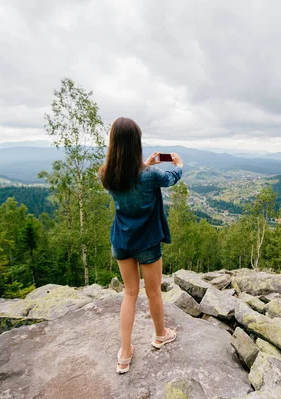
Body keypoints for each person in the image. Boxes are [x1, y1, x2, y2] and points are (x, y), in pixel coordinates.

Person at [98, 117, 184, 374]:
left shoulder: (105, 175)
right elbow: (172, 177)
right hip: (146, 240)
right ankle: (160, 335)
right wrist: (178, 162)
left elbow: (128, 179)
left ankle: (124, 353)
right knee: (154, 291)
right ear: (137, 143)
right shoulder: (150, 176)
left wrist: (144, 165)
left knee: (129, 293)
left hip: (122, 240)